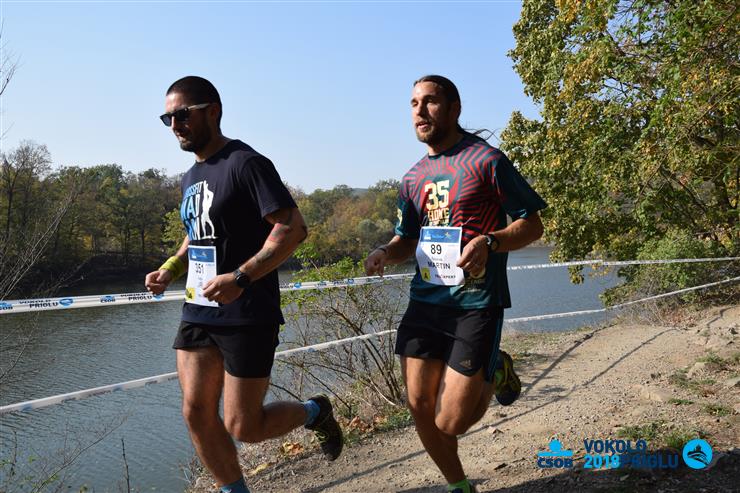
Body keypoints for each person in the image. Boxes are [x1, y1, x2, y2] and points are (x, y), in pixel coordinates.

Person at [145, 76, 343, 493]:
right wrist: (170, 268)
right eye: (168, 118)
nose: (175, 125)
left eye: (182, 114)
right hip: (199, 309)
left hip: (247, 312)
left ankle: (314, 412)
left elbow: (292, 227)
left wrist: (241, 277)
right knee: (195, 412)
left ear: (213, 111)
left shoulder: (246, 163)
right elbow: (196, 234)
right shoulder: (189, 177)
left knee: (244, 426)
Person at [364, 75, 546, 493]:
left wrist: (490, 241)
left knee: (452, 420)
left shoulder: (486, 161)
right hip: (425, 301)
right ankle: (459, 486)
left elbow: (532, 224)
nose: (420, 111)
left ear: (454, 108)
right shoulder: (413, 178)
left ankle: (495, 367)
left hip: (476, 302)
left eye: (430, 101)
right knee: (419, 406)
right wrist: (384, 252)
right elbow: (406, 238)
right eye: (414, 103)